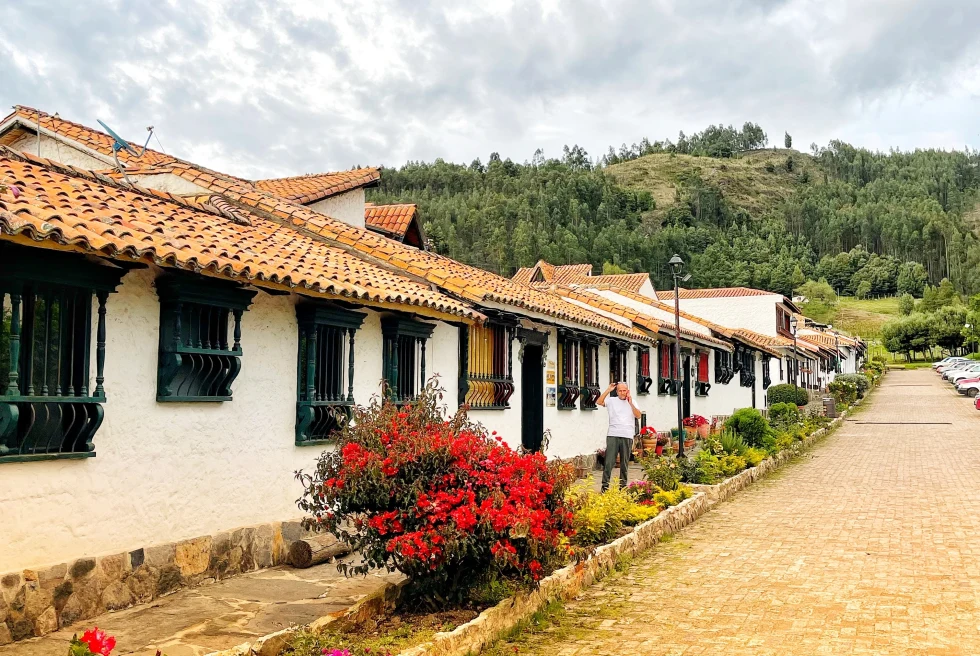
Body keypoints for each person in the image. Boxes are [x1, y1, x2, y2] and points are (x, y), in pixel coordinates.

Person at [597, 381, 641, 491]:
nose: (622, 392)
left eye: (624, 390)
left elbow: (638, 415)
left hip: (627, 435)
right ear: (617, 391)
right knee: (609, 462)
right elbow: (599, 401)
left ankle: (623, 487)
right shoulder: (612, 401)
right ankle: (605, 487)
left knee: (624, 463)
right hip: (613, 434)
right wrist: (608, 390)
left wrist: (630, 403)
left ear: (628, 391)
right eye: (620, 390)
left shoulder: (633, 402)